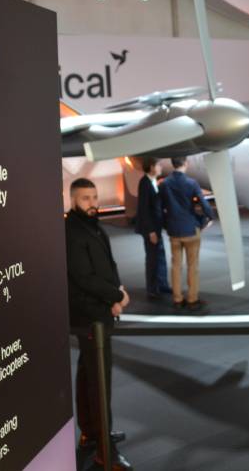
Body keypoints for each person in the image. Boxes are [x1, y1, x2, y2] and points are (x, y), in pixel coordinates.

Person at [64, 178, 132, 471]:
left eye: (94, 197)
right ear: (72, 200)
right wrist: (116, 296)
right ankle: (105, 450)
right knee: (98, 380)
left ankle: (92, 433)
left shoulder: (93, 226)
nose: (92, 203)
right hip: (89, 316)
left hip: (101, 311)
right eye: (85, 199)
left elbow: (109, 266)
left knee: (88, 375)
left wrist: (116, 294)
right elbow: (83, 277)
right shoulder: (71, 231)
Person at [160, 156, 214, 311]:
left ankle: (177, 299)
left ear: (173, 164)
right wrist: (210, 217)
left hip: (173, 230)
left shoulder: (164, 184)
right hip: (190, 229)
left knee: (176, 266)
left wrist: (166, 224)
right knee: (192, 266)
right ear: (186, 164)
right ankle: (192, 299)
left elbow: (159, 207)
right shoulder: (192, 183)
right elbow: (203, 204)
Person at [134, 157, 171, 299]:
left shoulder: (153, 181)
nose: (161, 167)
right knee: (152, 259)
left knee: (159, 257)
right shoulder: (144, 183)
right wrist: (151, 231)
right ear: (151, 167)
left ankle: (162, 285)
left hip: (156, 227)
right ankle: (152, 288)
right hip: (150, 229)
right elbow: (144, 209)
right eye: (158, 165)